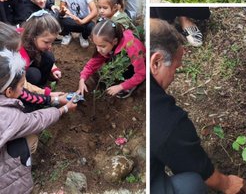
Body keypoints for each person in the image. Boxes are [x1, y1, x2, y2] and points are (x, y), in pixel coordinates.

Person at [150, 18, 245, 193]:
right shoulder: (165, 120)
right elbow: (199, 170)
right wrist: (228, 184)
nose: (173, 77)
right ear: (156, 62)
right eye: (175, 69)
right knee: (191, 184)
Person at [0, 49, 77, 192]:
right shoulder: (8, 116)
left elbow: (28, 94)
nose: (24, 88)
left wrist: (52, 98)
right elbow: (36, 120)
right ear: (9, 92)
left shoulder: (4, 87)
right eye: (22, 86)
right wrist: (63, 109)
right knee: (29, 141)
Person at [78, 19, 145, 99]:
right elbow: (93, 63)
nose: (98, 49)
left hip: (139, 67)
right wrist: (82, 79)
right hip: (120, 58)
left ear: (115, 41)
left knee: (117, 68)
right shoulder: (107, 43)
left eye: (102, 46)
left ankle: (130, 85)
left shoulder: (132, 48)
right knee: (109, 66)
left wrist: (120, 86)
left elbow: (141, 73)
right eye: (96, 45)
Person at [19, 10, 61, 88]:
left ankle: (41, 84)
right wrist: (43, 94)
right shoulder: (20, 55)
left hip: (30, 61)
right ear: (33, 37)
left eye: (52, 42)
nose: (50, 46)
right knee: (33, 75)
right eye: (46, 42)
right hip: (17, 78)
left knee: (49, 57)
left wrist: (54, 68)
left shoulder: (31, 38)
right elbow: (16, 81)